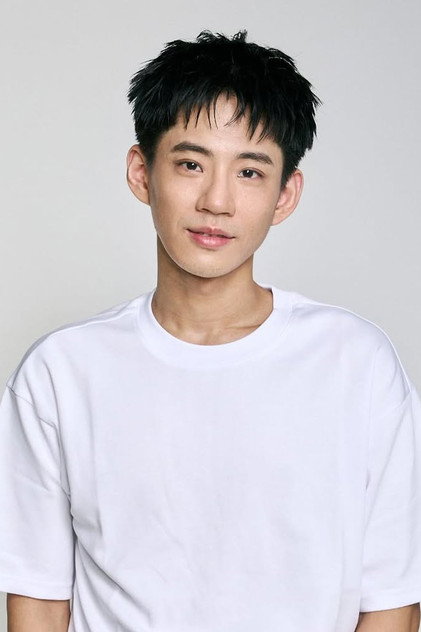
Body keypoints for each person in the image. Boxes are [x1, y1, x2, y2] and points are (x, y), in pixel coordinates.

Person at [0, 29, 420, 632]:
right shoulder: (61, 372)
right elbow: (38, 600)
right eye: (191, 164)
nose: (216, 201)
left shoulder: (356, 363)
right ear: (141, 173)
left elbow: (393, 602)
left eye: (250, 171)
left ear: (286, 194)